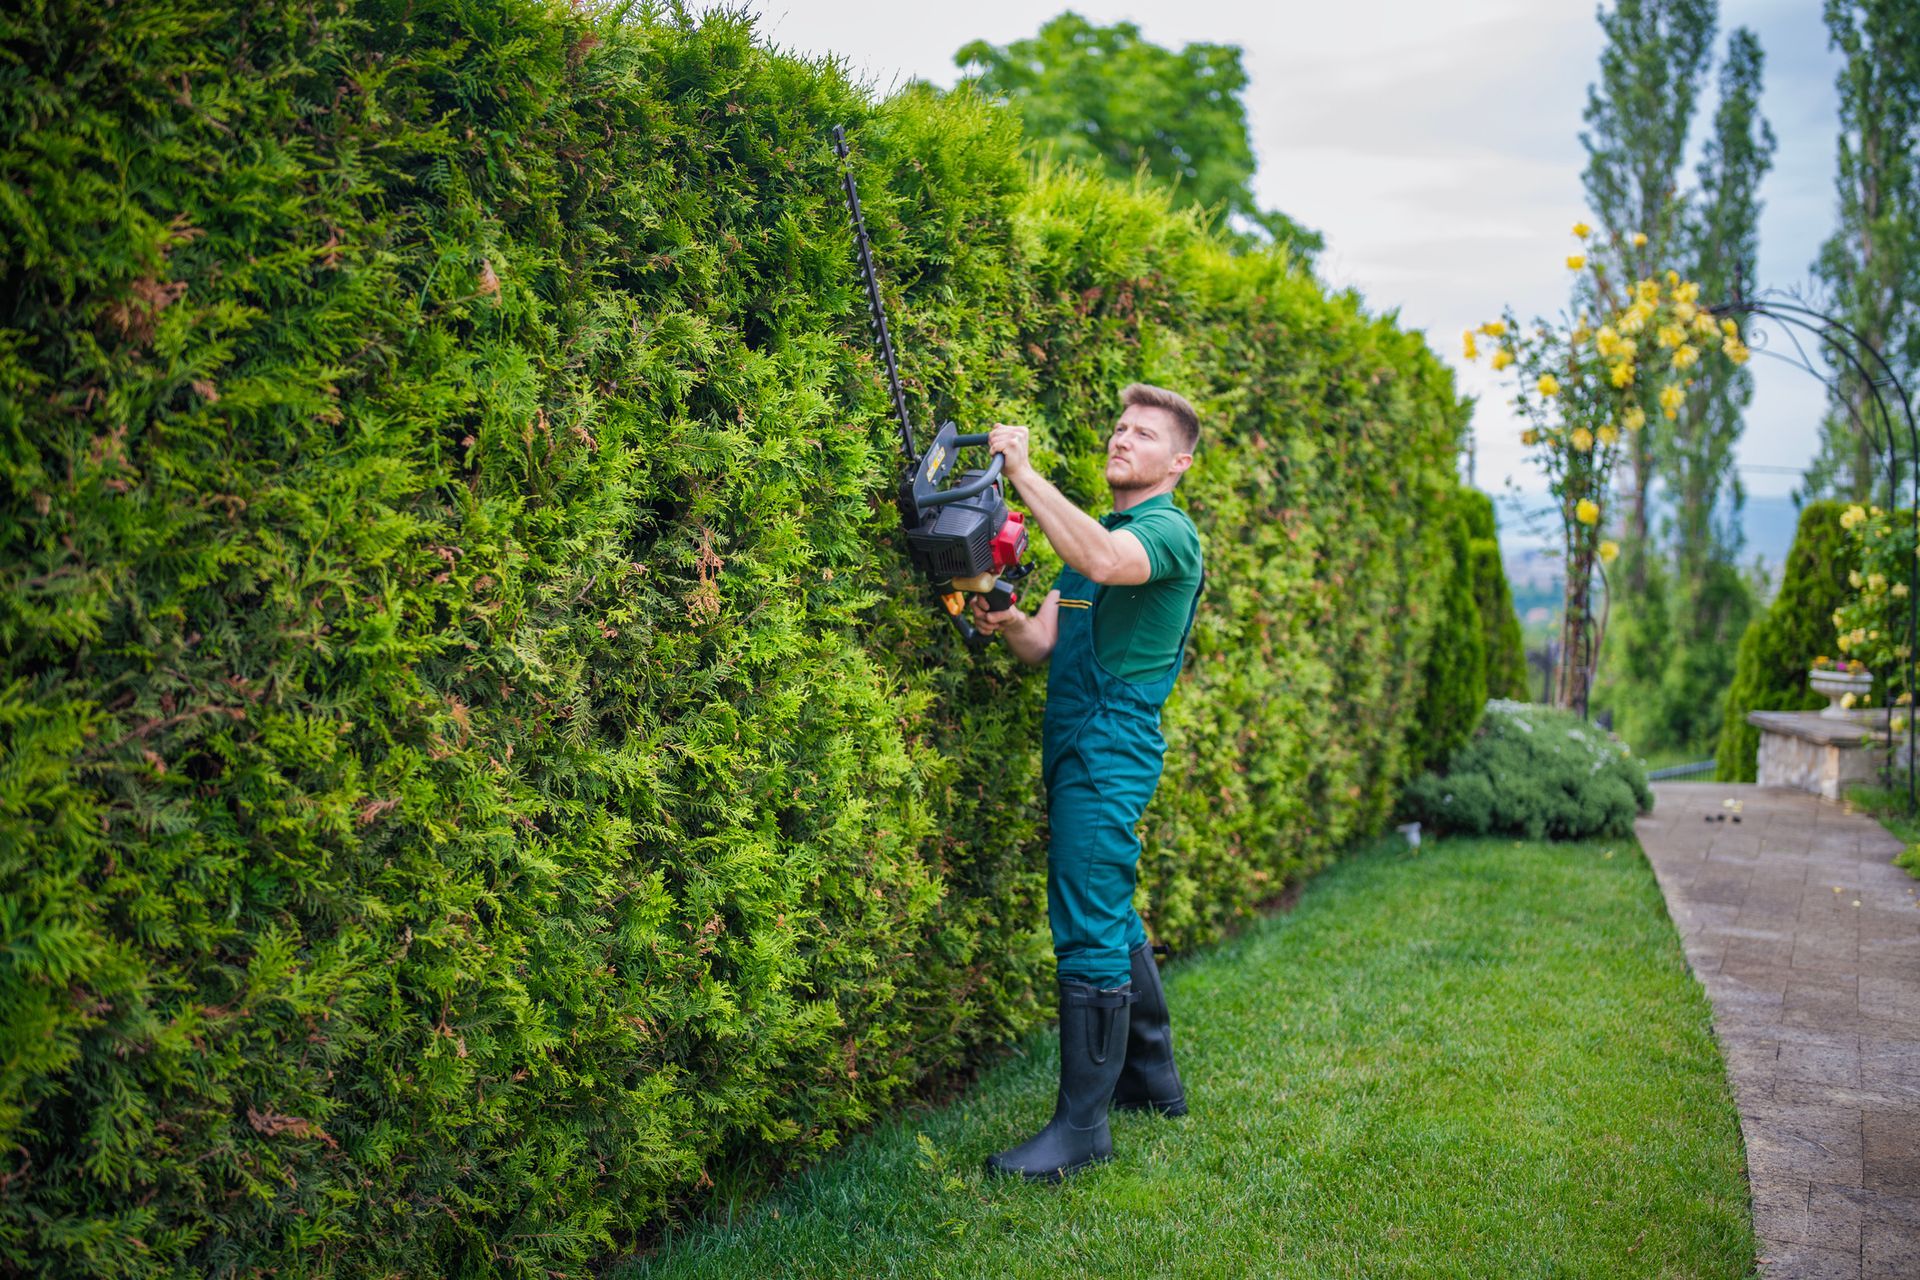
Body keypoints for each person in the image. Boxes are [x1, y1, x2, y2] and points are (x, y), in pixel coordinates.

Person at [971, 382, 1206, 1182]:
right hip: (1072, 742)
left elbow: (1106, 564)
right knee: (1104, 902)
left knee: (1085, 919)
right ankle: (1151, 1080)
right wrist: (1004, 620)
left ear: (1177, 462)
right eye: (1118, 427)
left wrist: (1024, 474)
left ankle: (1082, 1131)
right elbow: (1041, 643)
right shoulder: (1094, 535)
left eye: (1143, 434)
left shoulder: (1165, 533)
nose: (1121, 439)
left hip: (1110, 748)